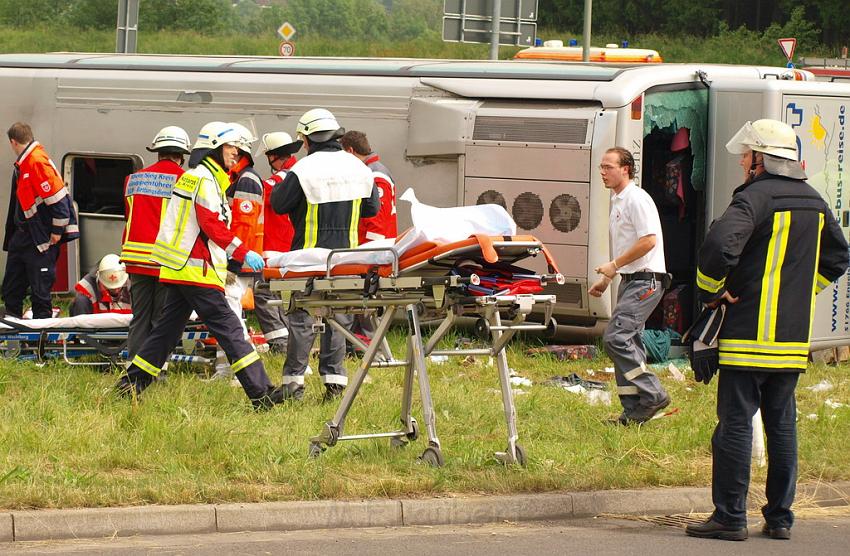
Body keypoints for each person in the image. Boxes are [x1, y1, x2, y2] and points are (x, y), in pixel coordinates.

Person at [685, 119, 849, 541]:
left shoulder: (753, 199)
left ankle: (729, 517)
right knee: (782, 426)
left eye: (746, 155)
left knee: (735, 425)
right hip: (791, 340)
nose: (741, 162)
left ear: (761, 159)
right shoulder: (814, 201)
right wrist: (799, 293)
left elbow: (718, 247)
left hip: (746, 336)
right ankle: (779, 520)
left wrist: (711, 294)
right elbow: (836, 259)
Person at [114, 121, 288, 409]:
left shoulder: (201, 177)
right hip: (196, 271)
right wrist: (243, 251)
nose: (237, 153)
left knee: (163, 336)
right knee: (232, 331)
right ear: (215, 148)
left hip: (181, 269)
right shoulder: (204, 180)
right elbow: (211, 223)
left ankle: (128, 386)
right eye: (232, 147)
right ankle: (262, 393)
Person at [270, 109, 379, 401]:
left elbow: (279, 204)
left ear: (306, 140)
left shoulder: (303, 170)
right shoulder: (359, 168)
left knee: (302, 318)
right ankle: (335, 383)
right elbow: (372, 209)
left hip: (307, 258)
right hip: (346, 259)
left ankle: (294, 384)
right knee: (339, 319)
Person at [589, 146, 670, 425]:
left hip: (647, 280)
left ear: (626, 169)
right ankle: (634, 411)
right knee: (629, 340)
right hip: (630, 279)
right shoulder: (618, 201)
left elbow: (648, 240)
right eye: (601, 167)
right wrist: (608, 278)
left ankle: (654, 393)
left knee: (616, 338)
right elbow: (628, 246)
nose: (603, 172)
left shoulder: (636, 199)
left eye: (608, 167)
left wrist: (613, 266)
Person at [120, 125, 190, 358]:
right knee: (161, 319)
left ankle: (133, 366)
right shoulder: (186, 181)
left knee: (139, 317)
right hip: (164, 260)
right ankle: (154, 370)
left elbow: (129, 217)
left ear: (157, 152)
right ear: (181, 156)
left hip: (135, 259)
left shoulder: (133, 179)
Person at [2, 122, 79, 319]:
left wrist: (56, 232)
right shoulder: (26, 163)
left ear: (13, 141)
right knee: (12, 288)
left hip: (39, 240)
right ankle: (13, 336)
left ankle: (39, 342)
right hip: (23, 236)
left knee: (40, 292)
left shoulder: (36, 162)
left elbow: (60, 200)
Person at [206, 123, 264, 381]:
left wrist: (232, 262)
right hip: (238, 260)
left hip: (238, 263)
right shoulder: (237, 179)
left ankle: (238, 372)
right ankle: (228, 369)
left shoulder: (246, 180)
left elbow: (244, 227)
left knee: (230, 317)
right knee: (228, 316)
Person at [255, 131, 302, 353]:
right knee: (279, 295)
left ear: (274, 155)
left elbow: (258, 194)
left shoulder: (281, 179)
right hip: (289, 244)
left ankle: (280, 343)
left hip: (276, 245)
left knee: (263, 291)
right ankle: (286, 339)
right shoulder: (296, 172)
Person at [339, 130, 398, 244]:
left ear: (350, 151)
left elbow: (377, 220)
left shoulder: (375, 175)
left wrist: (370, 250)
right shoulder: (372, 172)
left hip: (375, 251)